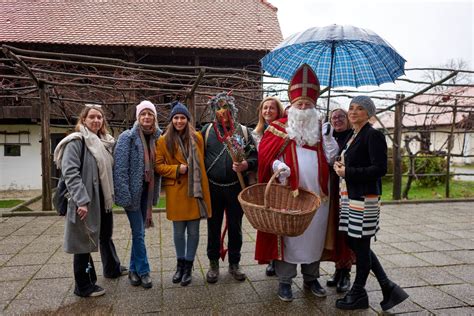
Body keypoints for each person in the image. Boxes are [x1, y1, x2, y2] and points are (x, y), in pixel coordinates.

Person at [255, 64, 339, 302]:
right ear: (291, 106)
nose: (303, 108)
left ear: (314, 107)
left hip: (318, 197)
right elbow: (266, 158)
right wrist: (278, 167)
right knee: (288, 237)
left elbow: (332, 159)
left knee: (314, 237)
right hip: (288, 195)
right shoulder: (278, 128)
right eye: (299, 104)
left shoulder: (320, 131)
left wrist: (329, 138)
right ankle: (284, 282)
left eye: (308, 105)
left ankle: (311, 278)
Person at [333, 96, 408, 311]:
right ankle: (387, 286)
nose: (353, 112)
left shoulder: (373, 135)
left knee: (361, 244)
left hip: (365, 198)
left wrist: (347, 171)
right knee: (354, 242)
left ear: (369, 113)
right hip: (350, 196)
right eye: (351, 108)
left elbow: (379, 169)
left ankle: (358, 292)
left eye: (360, 108)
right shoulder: (353, 136)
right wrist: (340, 165)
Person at [53, 104, 126, 297]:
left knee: (105, 235)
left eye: (99, 117)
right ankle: (83, 286)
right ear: (83, 119)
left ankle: (112, 268)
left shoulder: (105, 141)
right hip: (85, 201)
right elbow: (70, 173)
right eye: (92, 117)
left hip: (103, 199)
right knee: (82, 242)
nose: (96, 120)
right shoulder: (76, 141)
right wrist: (81, 201)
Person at [202, 91, 257, 283]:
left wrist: (245, 165)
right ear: (213, 110)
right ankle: (213, 264)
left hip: (236, 188)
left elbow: (254, 157)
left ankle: (235, 263)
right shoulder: (207, 132)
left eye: (226, 107)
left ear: (231, 109)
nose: (222, 111)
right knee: (213, 227)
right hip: (213, 188)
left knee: (236, 227)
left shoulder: (242, 131)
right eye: (218, 107)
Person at [155, 101, 212, 286]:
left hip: (194, 190)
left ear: (188, 120)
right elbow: (158, 166)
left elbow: (201, 162)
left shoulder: (197, 138)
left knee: (194, 232)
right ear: (172, 120)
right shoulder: (163, 140)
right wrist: (176, 169)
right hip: (177, 190)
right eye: (176, 118)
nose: (179, 121)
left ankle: (188, 266)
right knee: (178, 233)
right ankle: (180, 266)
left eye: (183, 118)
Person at [114, 100, 162, 289]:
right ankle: (144, 271)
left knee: (138, 233)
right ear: (138, 117)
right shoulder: (128, 137)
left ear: (155, 117)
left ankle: (133, 270)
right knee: (139, 232)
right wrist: (124, 195)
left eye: (150, 114)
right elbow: (119, 169)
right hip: (132, 194)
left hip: (146, 194)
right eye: (143, 114)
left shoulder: (158, 138)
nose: (147, 117)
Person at [251, 96, 284, 277]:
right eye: (265, 108)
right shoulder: (256, 134)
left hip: (279, 181)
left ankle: (279, 258)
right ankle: (270, 258)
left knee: (279, 221)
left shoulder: (284, 131)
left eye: (272, 108)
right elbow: (255, 159)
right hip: (263, 182)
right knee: (267, 221)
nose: (268, 111)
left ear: (278, 111)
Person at [325, 108, 354, 293]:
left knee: (346, 232)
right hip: (331, 188)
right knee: (335, 230)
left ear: (348, 119)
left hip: (347, 189)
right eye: (334, 117)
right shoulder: (328, 136)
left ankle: (346, 272)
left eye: (341, 117)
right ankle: (337, 269)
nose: (337, 120)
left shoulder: (353, 136)